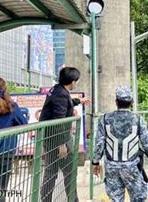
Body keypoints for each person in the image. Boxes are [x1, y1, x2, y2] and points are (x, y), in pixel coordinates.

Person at [92, 87, 148, 202]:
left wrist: (95, 162)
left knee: (116, 199)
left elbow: (99, 143)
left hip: (112, 167)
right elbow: (147, 144)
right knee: (138, 198)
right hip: (131, 167)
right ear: (131, 102)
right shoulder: (137, 119)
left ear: (116, 102)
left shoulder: (105, 119)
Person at [39, 67, 90, 202]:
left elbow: (65, 105)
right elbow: (59, 119)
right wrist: (62, 143)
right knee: (69, 172)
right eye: (76, 81)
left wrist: (79, 101)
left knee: (51, 172)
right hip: (59, 139)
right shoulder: (61, 94)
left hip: (50, 137)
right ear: (72, 82)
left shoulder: (57, 90)